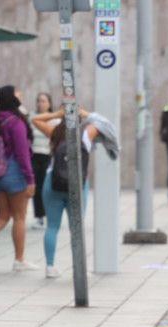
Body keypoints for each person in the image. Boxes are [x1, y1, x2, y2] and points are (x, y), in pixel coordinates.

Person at [35, 107, 113, 279]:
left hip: (52, 183)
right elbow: (105, 123)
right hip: (77, 185)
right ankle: (79, 268)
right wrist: (85, 113)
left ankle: (49, 267)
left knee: (52, 226)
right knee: (76, 228)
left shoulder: (55, 132)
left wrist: (57, 114)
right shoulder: (86, 134)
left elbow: (36, 120)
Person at [0, 86, 38, 272]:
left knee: (2, 215)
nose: (21, 95)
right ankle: (19, 260)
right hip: (14, 172)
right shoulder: (16, 122)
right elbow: (23, 153)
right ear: (11, 98)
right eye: (18, 93)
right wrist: (30, 179)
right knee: (20, 217)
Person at [29, 91, 56, 222]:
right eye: (39, 100)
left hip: (48, 156)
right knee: (36, 186)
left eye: (44, 101)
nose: (40, 103)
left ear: (49, 103)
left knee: (47, 187)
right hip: (34, 155)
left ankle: (49, 214)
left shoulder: (55, 119)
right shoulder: (32, 117)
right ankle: (39, 216)